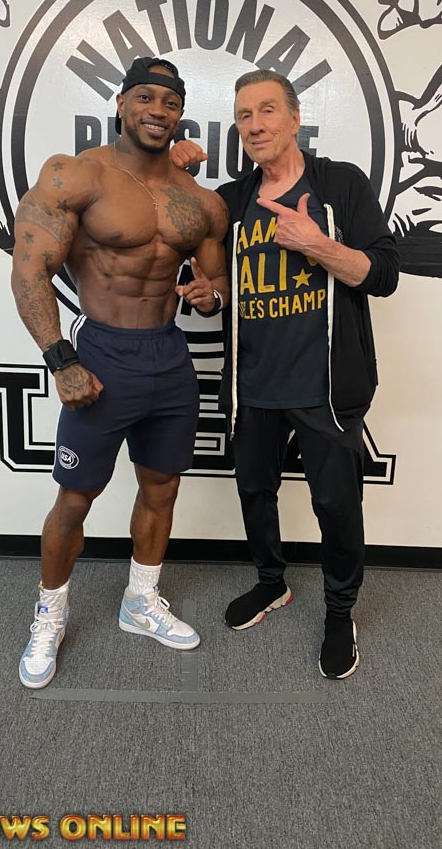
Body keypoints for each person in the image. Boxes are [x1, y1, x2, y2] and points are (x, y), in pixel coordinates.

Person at [170, 69, 399, 679]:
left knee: (336, 504)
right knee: (254, 491)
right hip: (254, 385)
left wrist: (316, 243)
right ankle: (271, 582)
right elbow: (225, 282)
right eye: (244, 115)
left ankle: (339, 612)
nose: (255, 125)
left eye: (267, 110)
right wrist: (214, 297)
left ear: (295, 118)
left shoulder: (339, 185)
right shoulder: (232, 199)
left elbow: (384, 274)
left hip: (325, 387)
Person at [11, 57, 229, 689]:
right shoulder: (76, 174)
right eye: (145, 97)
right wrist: (62, 359)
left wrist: (209, 295)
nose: (157, 110)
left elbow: (215, 282)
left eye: (170, 101)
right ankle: (50, 614)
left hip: (170, 357)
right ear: (121, 104)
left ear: (181, 113)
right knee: (75, 499)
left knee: (162, 487)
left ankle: (140, 600)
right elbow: (29, 269)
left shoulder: (201, 201)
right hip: (102, 355)